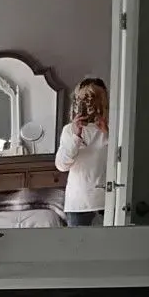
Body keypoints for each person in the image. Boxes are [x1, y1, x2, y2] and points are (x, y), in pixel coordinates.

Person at [55, 77, 110, 227]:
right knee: (78, 249)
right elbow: (61, 165)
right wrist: (76, 136)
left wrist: (108, 134)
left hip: (108, 202)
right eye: (83, 100)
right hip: (78, 204)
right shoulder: (69, 130)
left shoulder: (113, 129)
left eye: (94, 100)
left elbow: (121, 160)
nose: (89, 105)